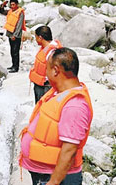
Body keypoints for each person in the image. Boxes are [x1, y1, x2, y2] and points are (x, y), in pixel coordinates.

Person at [20, 47, 93, 185]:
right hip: (44, 174)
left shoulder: (75, 106)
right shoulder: (59, 92)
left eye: (46, 69)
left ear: (55, 70)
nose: (45, 73)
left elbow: (69, 149)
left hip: (54, 178)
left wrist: (53, 182)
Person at [29, 26, 63, 103]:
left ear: (40, 37)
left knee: (42, 106)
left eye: (36, 37)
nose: (36, 40)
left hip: (45, 86)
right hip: (40, 83)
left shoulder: (52, 52)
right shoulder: (46, 47)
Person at [0, 0, 26, 73]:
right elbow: (2, 11)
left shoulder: (20, 12)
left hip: (16, 35)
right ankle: (13, 65)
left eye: (13, 4)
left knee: (15, 51)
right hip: (10, 33)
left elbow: (19, 25)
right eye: (11, 5)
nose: (12, 6)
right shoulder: (10, 11)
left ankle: (16, 67)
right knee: (12, 50)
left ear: (17, 5)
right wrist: (2, 6)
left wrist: (15, 35)